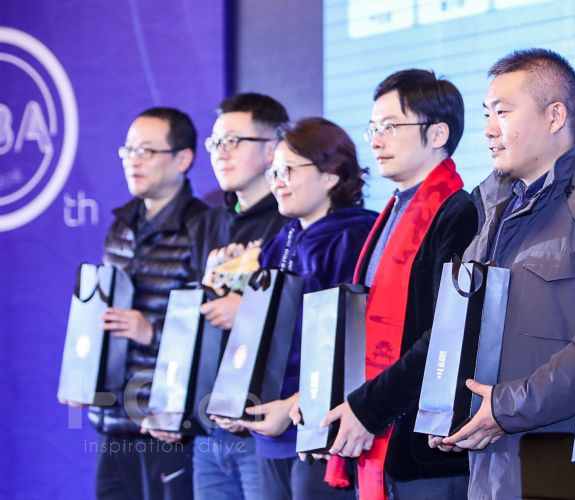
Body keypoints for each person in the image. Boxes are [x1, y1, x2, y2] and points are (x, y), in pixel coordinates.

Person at [430, 49, 575, 499]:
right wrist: (448, 406)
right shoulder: (491, 205)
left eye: (503, 112)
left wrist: (505, 408)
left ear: (555, 116)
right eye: (487, 114)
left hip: (564, 462)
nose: (489, 129)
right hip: (491, 461)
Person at [320, 69, 479, 500]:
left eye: (390, 127)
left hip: (423, 451)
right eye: (373, 128)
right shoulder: (390, 213)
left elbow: (446, 335)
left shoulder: (459, 213)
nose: (376, 141)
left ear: (438, 133)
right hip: (377, 434)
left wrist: (369, 407)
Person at [146, 92, 290, 499]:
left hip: (264, 422)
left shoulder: (290, 218)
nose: (221, 153)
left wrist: (249, 311)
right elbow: (191, 320)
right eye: (215, 143)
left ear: (272, 148)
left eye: (234, 141)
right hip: (211, 426)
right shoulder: (209, 223)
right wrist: (170, 401)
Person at [231, 117, 377, 500]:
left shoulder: (355, 237)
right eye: (274, 172)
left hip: (322, 427)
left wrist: (295, 404)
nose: (277, 181)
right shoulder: (281, 240)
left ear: (330, 176)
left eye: (289, 170)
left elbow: (350, 345)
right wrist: (237, 397)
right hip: (272, 429)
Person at [67, 107, 207, 499]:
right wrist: (81, 375)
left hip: (166, 422)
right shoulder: (121, 225)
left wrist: (151, 332)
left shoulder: (202, 226)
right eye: (128, 150)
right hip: (113, 418)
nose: (133, 160)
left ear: (183, 159)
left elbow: (211, 328)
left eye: (146, 150)